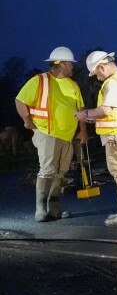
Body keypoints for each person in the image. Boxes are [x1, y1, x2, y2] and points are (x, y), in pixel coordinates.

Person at [15, 47, 88, 222]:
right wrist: (27, 120)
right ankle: (40, 209)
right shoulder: (40, 80)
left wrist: (83, 130)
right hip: (47, 133)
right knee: (47, 170)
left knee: (61, 173)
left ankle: (54, 208)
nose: (73, 67)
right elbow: (20, 100)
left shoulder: (73, 85)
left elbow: (81, 109)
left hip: (67, 137)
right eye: (70, 63)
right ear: (61, 64)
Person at [75, 50, 117, 228]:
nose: (98, 78)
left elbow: (106, 110)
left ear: (102, 67)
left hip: (116, 136)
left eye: (97, 73)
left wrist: (85, 114)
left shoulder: (113, 82)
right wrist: (91, 118)